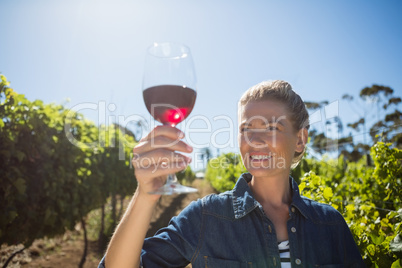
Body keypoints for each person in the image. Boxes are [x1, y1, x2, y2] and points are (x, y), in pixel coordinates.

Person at [98, 80, 365, 268]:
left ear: (300, 140)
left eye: (271, 127)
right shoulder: (205, 217)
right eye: (247, 128)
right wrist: (145, 195)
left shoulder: (330, 225)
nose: (256, 140)